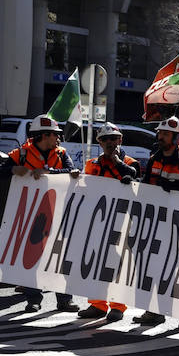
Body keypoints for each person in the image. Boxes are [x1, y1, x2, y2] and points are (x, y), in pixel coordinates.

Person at [0, 115, 81, 314]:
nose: (59, 138)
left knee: (58, 257)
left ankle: (65, 300)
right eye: (56, 135)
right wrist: (13, 169)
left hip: (57, 212)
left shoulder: (61, 153)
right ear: (44, 135)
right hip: (31, 214)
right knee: (32, 257)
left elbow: (71, 171)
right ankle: (33, 299)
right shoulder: (21, 154)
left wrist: (47, 171)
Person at [133, 116, 179, 326]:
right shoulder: (154, 158)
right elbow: (146, 186)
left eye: (166, 134)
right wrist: (131, 184)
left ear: (177, 138)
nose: (160, 136)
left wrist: (172, 189)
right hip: (157, 224)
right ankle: (154, 311)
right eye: (160, 133)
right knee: (154, 268)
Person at [77, 123, 141, 322]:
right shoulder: (92, 164)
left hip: (122, 222)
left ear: (120, 140)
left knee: (117, 266)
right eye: (105, 139)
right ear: (100, 142)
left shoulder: (131, 162)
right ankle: (97, 304)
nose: (110, 143)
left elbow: (135, 177)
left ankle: (118, 306)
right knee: (94, 262)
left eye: (113, 138)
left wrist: (117, 162)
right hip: (97, 222)